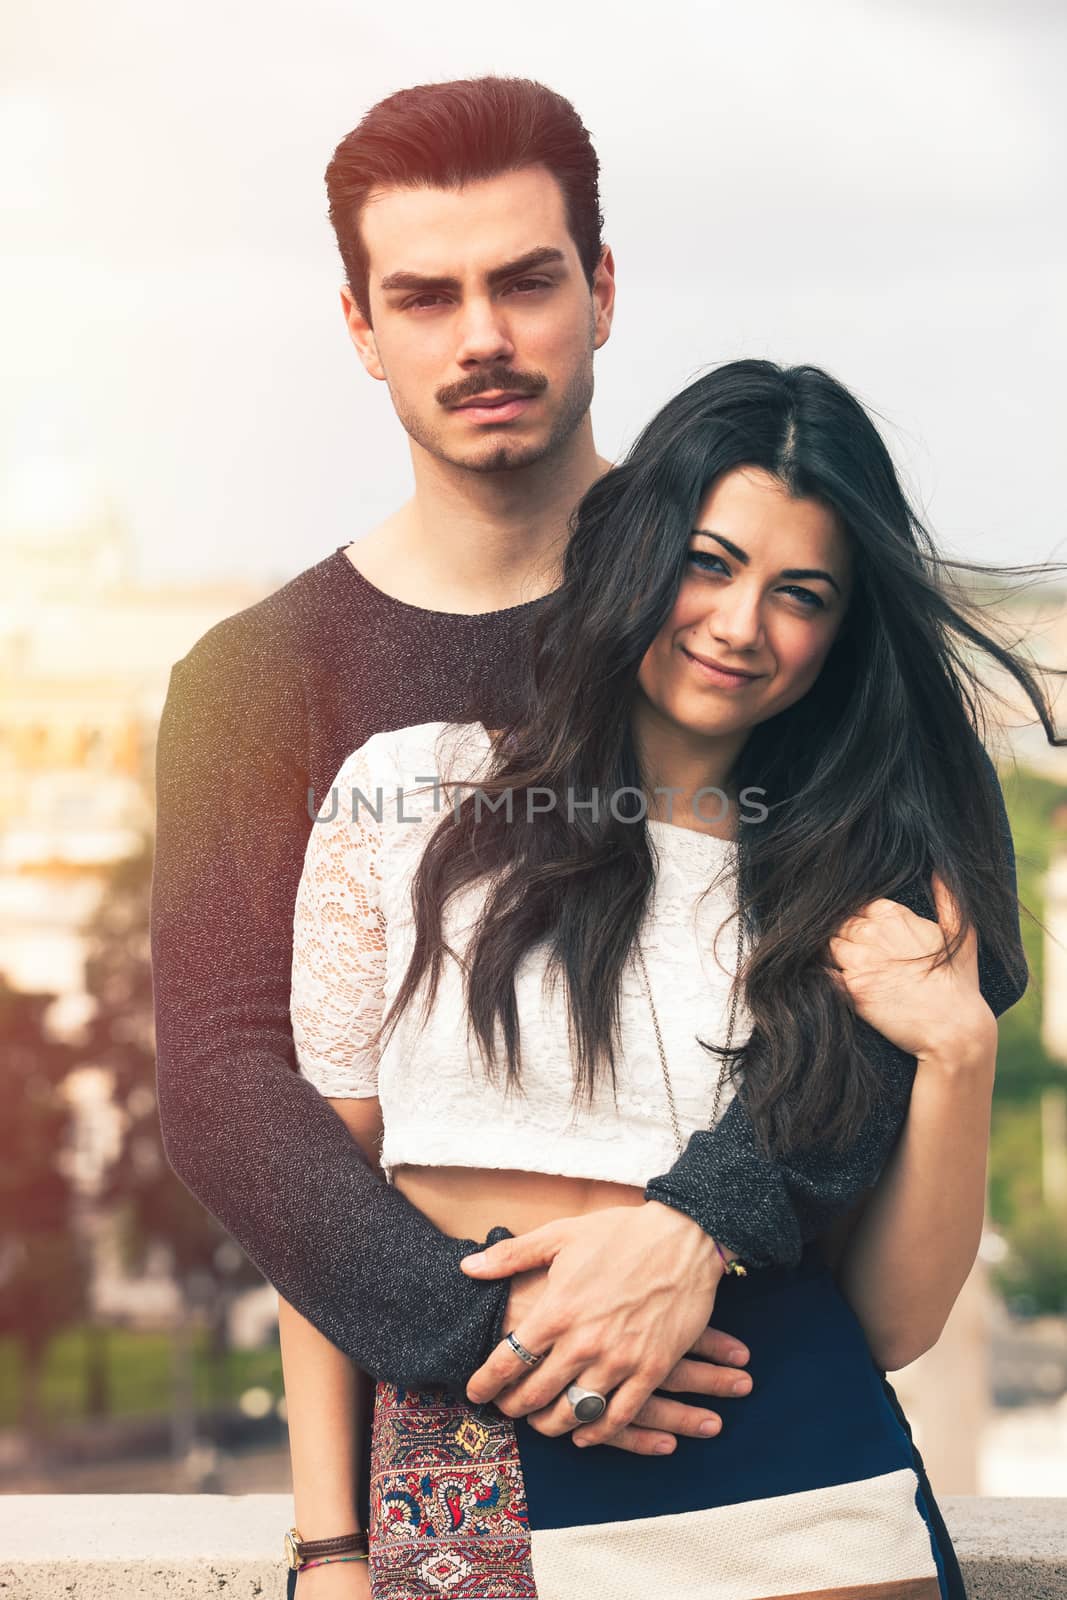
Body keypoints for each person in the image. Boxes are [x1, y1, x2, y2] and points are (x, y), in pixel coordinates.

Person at [146, 77, 1043, 1597]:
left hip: (783, 1415)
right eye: (424, 296)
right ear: (359, 328)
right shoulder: (258, 681)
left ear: (602, 289)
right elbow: (240, 1092)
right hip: (474, 1431)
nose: (479, 334)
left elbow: (927, 975)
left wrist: (701, 1221)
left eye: (525, 279)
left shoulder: (752, 587)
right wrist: (472, 1370)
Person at [282, 357, 1053, 1596]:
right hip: (474, 1461)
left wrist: (958, 1052)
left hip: (805, 1482)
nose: (741, 624)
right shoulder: (411, 794)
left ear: (840, 633)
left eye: (800, 593)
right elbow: (316, 1204)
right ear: (637, 547)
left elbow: (893, 1323)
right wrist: (327, 1545)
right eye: (709, 560)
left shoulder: (855, 890)